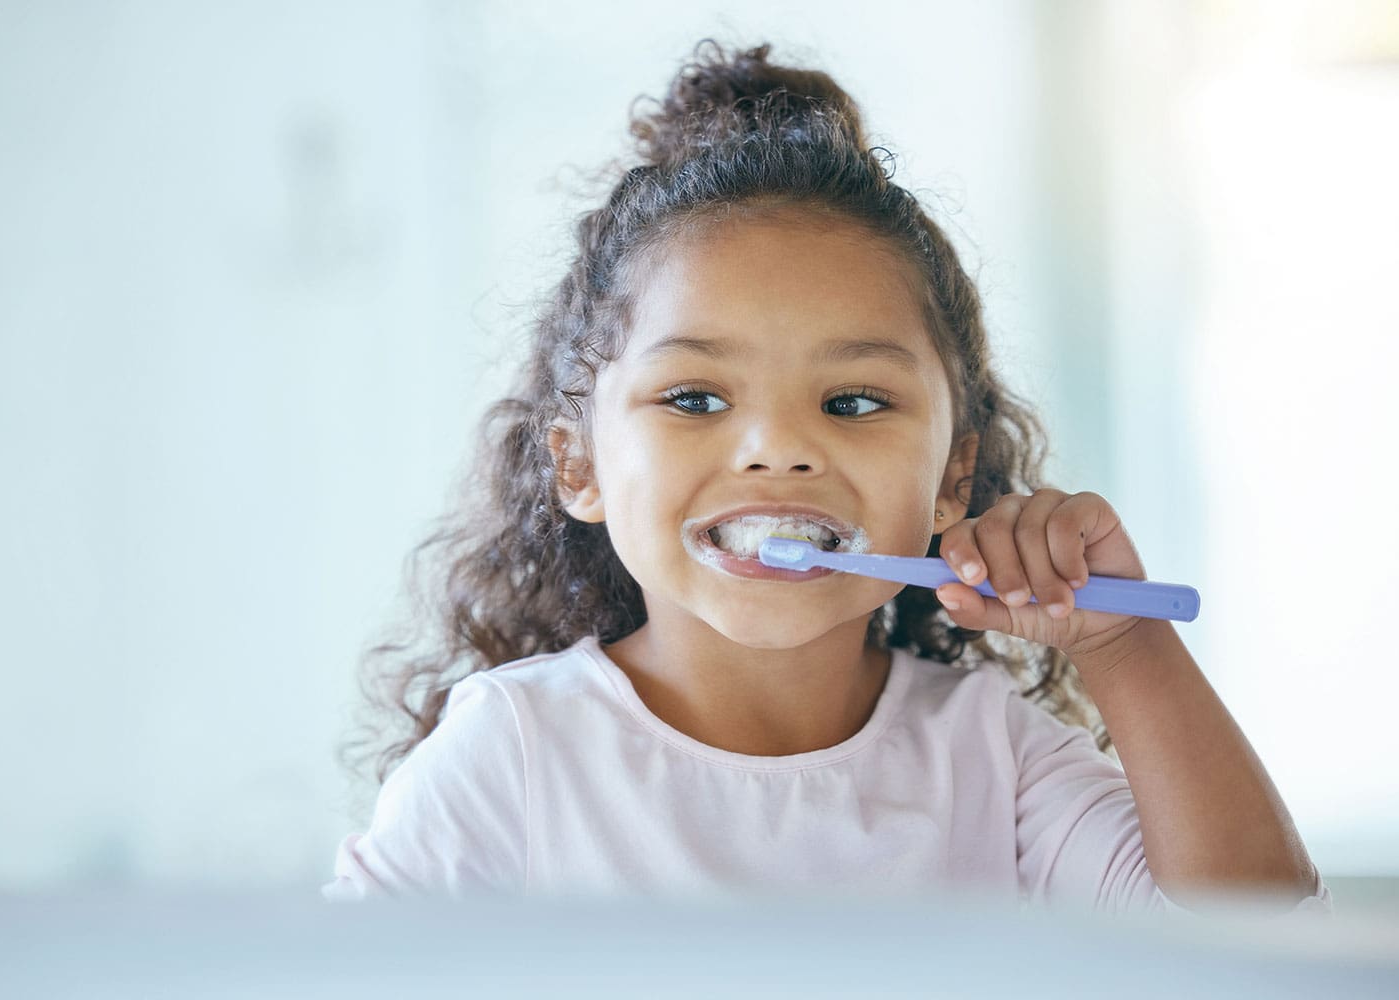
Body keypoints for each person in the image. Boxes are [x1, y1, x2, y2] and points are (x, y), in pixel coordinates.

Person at [324, 40, 1329, 912]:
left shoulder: (993, 756)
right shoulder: (516, 756)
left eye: (852, 404)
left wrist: (1128, 647)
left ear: (951, 479)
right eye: (694, 399)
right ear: (578, 464)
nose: (777, 448)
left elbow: (1251, 936)